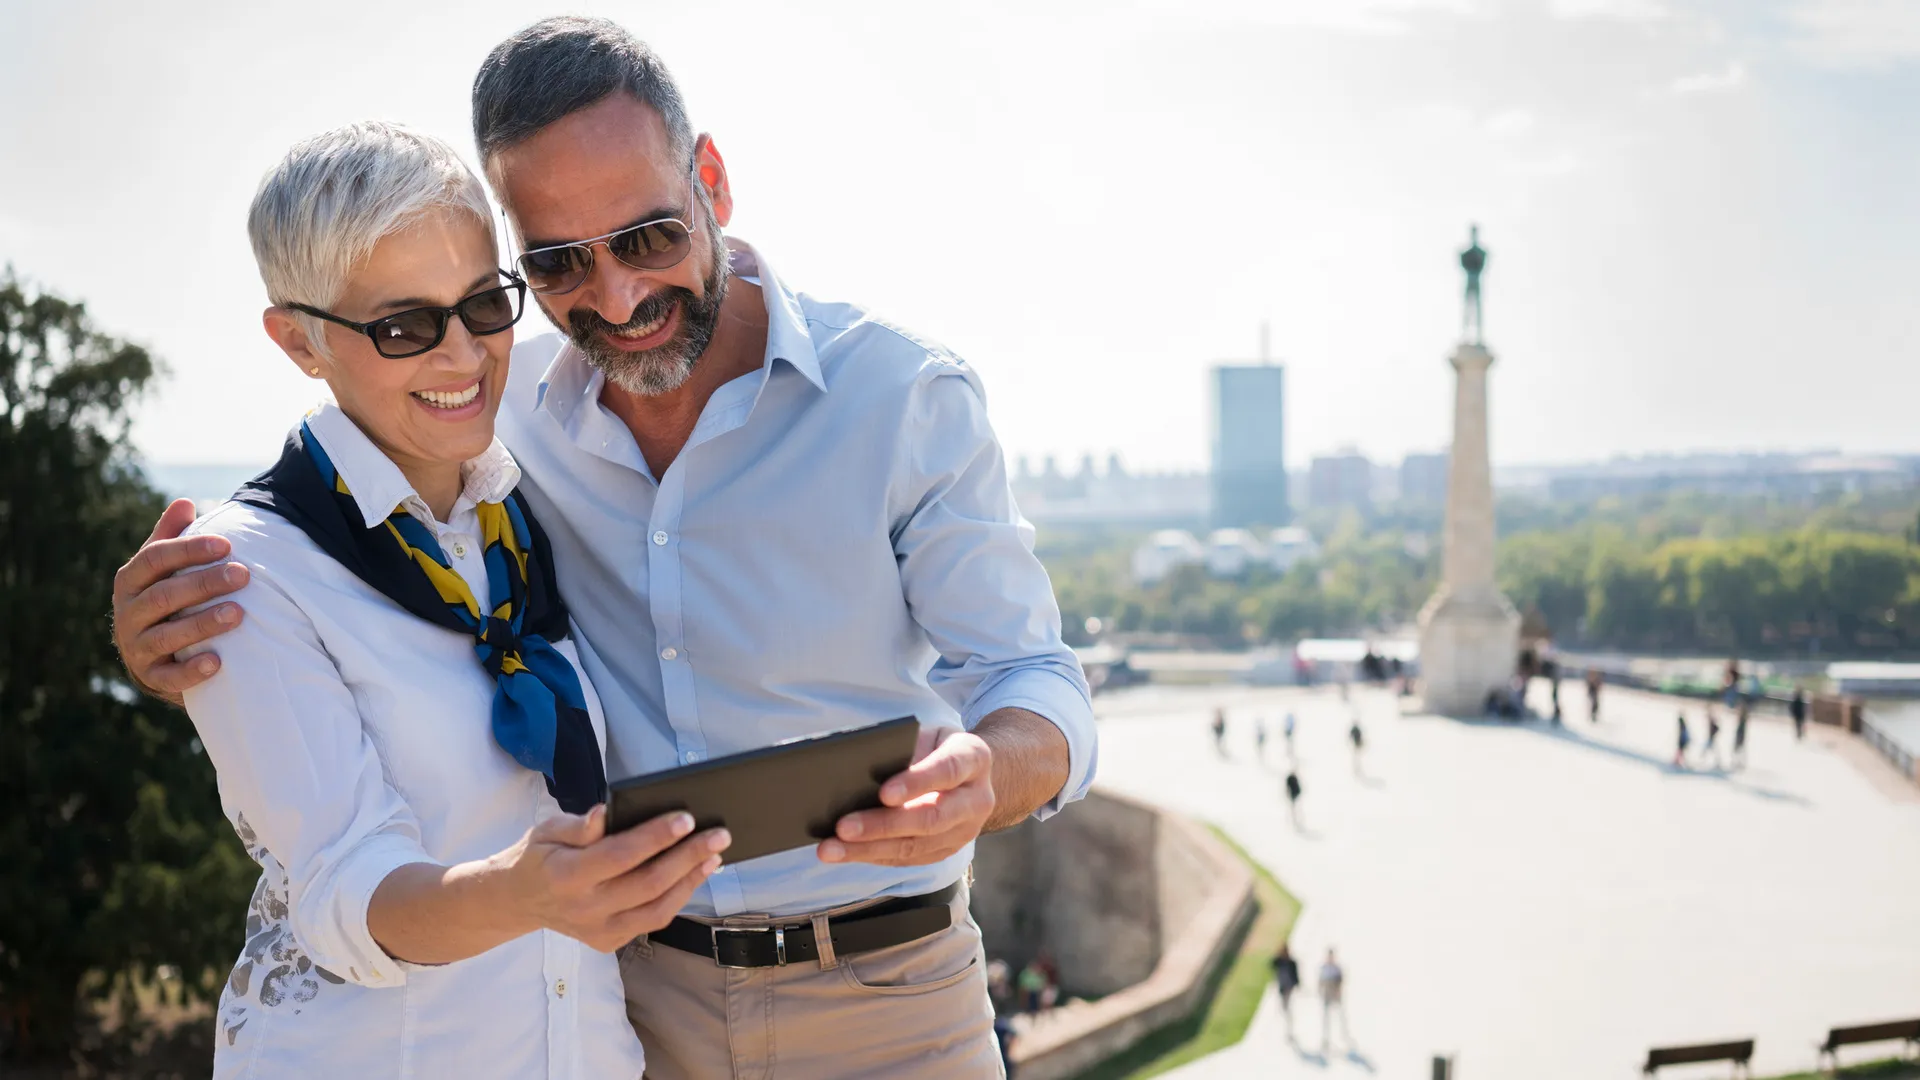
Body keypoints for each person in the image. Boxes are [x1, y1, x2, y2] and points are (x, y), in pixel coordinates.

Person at [111, 17, 1097, 1079]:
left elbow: (1034, 676)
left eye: (648, 236)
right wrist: (177, 631)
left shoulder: (901, 397)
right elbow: (337, 511)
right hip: (633, 1008)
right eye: (557, 263)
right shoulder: (501, 403)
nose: (618, 297)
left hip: (891, 996)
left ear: (711, 179)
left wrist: (990, 775)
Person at [159, 122, 686, 1077]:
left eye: (485, 304)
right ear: (298, 340)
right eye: (404, 327)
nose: (464, 356)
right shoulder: (244, 572)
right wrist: (523, 893)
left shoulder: (531, 502)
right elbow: (342, 895)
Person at [1319, 948, 1351, 1054]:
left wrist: (1338, 990)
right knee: (1326, 1017)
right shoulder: (1324, 967)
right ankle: (1326, 1038)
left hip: (1335, 993)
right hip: (1327, 993)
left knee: (1340, 1015)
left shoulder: (1337, 968)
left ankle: (1344, 1035)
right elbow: (1321, 981)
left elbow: (1341, 980)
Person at [1271, 942, 1301, 1040]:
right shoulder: (1279, 962)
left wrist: (1297, 985)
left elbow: (1296, 975)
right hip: (1282, 987)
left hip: (1289, 987)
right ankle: (1287, 1025)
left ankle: (1289, 1029)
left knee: (1286, 1007)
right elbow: (1271, 964)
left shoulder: (1291, 963)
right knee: (1283, 1008)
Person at [1733, 699, 1750, 769]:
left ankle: (1740, 762)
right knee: (1739, 750)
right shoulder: (1743, 718)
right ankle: (1739, 762)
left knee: (1739, 750)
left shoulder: (1742, 719)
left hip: (1740, 735)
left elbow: (1741, 730)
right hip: (1740, 734)